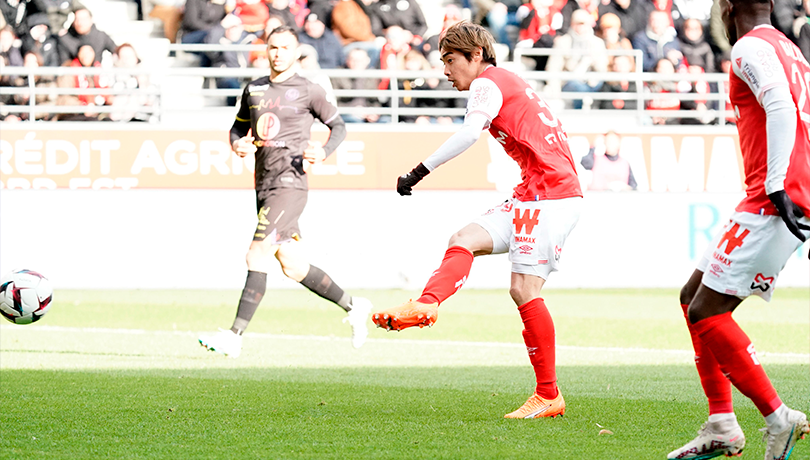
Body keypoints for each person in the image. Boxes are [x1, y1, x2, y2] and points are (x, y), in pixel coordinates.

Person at [372, 21, 583, 419]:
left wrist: (417, 172)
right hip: (534, 192)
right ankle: (426, 304)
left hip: (550, 195)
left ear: (476, 56)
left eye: (451, 60)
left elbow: (470, 134)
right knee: (465, 237)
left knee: (524, 289)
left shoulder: (487, 82)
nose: (446, 71)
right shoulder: (508, 81)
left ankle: (548, 395)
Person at [667, 0, 810, 459]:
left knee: (708, 311)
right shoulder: (789, 49)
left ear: (727, 8)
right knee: (693, 298)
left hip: (774, 198)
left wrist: (776, 185)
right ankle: (722, 423)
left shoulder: (750, 47)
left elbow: (782, 106)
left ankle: (777, 417)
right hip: (775, 194)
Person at [198, 25, 372, 358]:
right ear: (267, 51)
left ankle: (234, 336)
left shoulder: (309, 90)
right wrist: (237, 144)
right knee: (292, 266)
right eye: (272, 47)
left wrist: (322, 151)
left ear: (296, 52)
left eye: (284, 48)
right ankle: (354, 305)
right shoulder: (254, 89)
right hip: (263, 183)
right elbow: (237, 127)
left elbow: (339, 126)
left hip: (290, 184)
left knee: (255, 254)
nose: (277, 53)